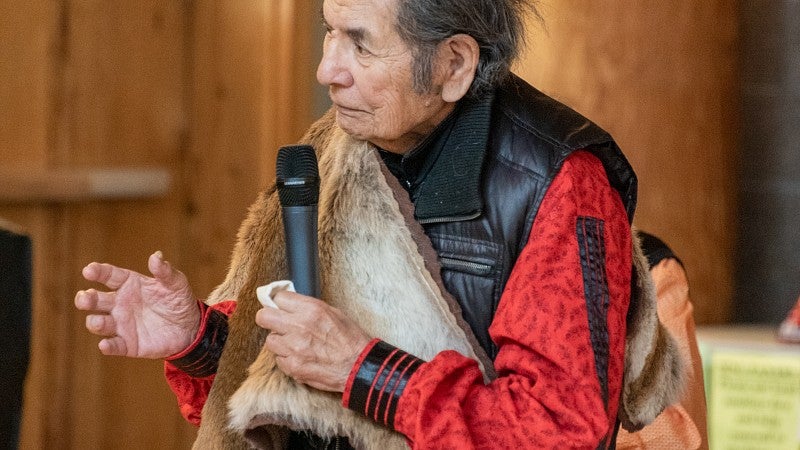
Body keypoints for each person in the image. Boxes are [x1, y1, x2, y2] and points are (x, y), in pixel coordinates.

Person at [75, 0, 684, 448]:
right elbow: (287, 394)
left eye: (361, 44)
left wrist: (363, 369)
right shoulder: (331, 151)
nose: (327, 70)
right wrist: (200, 340)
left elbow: (559, 433)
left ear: (453, 64)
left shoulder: (557, 183)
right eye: (328, 32)